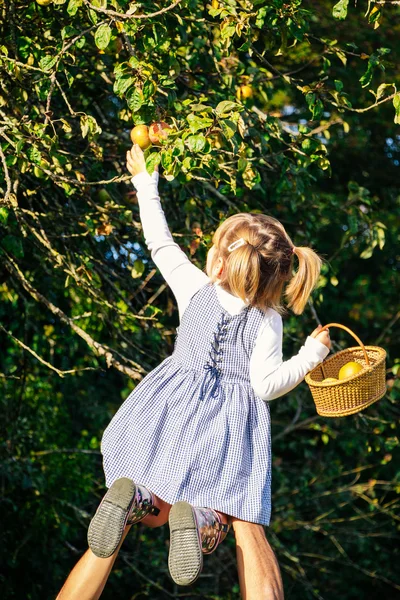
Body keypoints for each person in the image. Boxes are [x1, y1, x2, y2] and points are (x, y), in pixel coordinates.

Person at [57, 144, 331, 600]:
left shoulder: (196, 289)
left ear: (221, 261)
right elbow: (265, 387)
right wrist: (310, 356)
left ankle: (136, 498)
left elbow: (159, 241)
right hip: (227, 428)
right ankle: (203, 523)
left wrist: (146, 182)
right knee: (230, 509)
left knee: (151, 508)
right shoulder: (269, 320)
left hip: (169, 407)